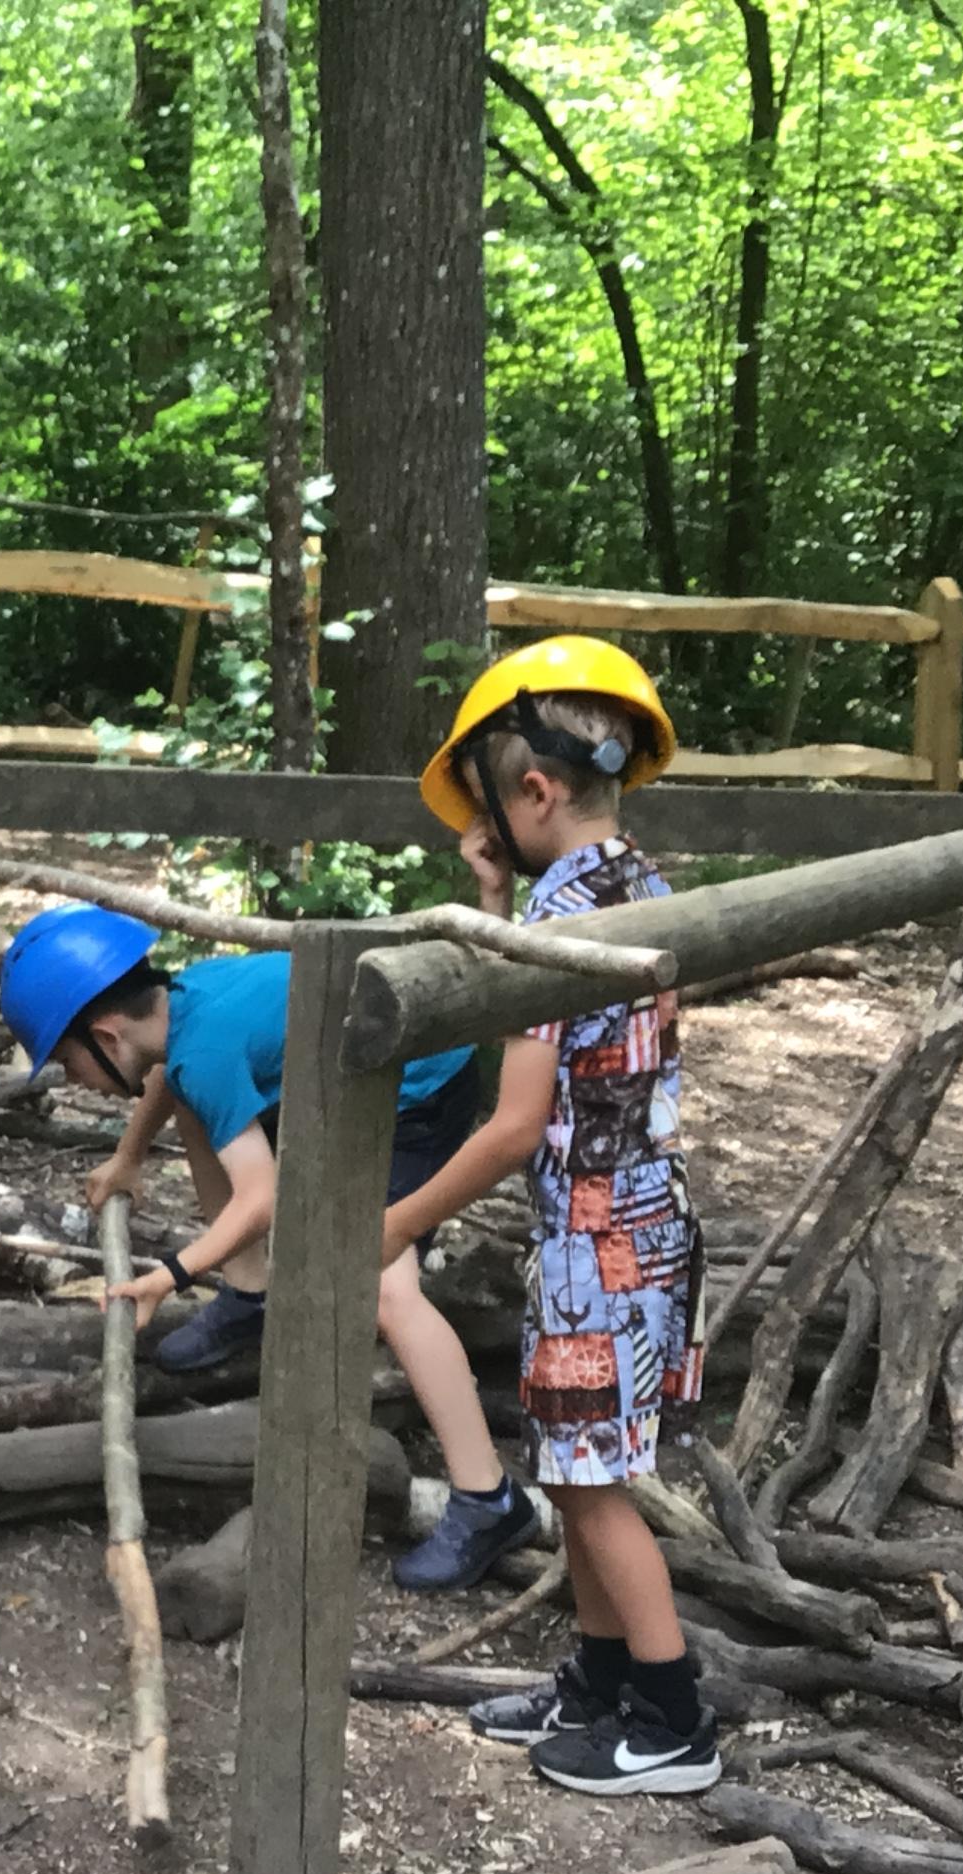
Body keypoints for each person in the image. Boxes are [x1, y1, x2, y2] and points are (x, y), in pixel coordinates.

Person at [382, 636, 716, 1797]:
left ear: (531, 791)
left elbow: (515, 1123)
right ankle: (600, 1679)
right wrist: (494, 900)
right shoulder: (634, 884)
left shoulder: (562, 916)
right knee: (577, 1469)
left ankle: (671, 1718)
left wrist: (396, 1223)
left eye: (487, 803)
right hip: (642, 1221)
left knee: (593, 1487)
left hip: (596, 1240)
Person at [0, 909, 543, 1592]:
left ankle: (490, 1498)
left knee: (383, 1286)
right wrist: (129, 1157)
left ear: (105, 1035)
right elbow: (171, 1078)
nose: (72, 1077)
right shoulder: (185, 1003)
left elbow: (261, 1198)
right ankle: (250, 1294)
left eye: (65, 1059)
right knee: (195, 1098)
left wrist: (170, 1274)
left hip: (419, 1092)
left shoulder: (204, 1051)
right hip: (362, 1069)